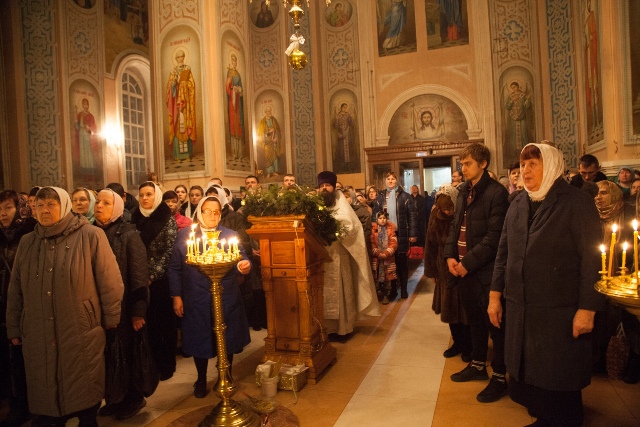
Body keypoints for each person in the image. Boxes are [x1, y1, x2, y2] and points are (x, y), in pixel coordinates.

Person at [489, 143, 605, 426]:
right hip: (522, 306)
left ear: (551, 165)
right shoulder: (518, 202)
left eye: (533, 164)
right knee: (532, 371)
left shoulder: (575, 202)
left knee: (558, 374)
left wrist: (587, 309)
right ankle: (545, 417)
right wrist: (495, 295)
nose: (525, 171)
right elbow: (504, 252)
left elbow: (592, 259)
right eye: (523, 165)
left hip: (559, 309)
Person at [6, 187, 123, 427]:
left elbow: (109, 280)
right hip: (38, 330)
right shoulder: (28, 242)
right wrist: (14, 326)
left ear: (65, 206)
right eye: (40, 206)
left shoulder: (90, 236)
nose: (45, 210)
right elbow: (15, 288)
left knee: (83, 385)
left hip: (80, 329)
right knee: (45, 391)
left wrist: (111, 317)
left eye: (51, 204)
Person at [443, 142, 509, 403]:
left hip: (486, 271)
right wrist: (450, 255)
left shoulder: (496, 193)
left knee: (496, 327)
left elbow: (495, 238)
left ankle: (500, 377)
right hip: (465, 271)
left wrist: (467, 262)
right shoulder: (463, 191)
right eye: (462, 164)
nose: (463, 168)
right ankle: (478, 365)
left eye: (468, 163)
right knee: (475, 322)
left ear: (483, 164)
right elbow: (455, 226)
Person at [168, 196, 251, 398]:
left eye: (216, 212)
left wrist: (243, 266)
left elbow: (241, 257)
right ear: (200, 212)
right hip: (196, 295)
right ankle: (201, 378)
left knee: (227, 336)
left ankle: (226, 373)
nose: (212, 216)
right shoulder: (186, 235)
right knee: (200, 337)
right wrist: (176, 296)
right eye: (207, 211)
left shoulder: (229, 235)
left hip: (226, 293)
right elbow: (175, 267)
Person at [94, 189, 150, 420]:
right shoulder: (92, 233)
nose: (99, 206)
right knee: (108, 354)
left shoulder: (129, 234)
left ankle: (133, 398)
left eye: (106, 203)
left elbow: (139, 274)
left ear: (117, 207)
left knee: (127, 353)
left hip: (125, 307)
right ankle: (115, 398)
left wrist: (138, 311)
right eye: (97, 202)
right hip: (100, 307)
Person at [317, 171, 380, 338]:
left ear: (333, 187)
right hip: (320, 257)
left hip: (339, 254)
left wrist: (332, 227)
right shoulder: (316, 204)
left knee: (340, 293)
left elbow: (351, 227)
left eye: (328, 185)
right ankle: (326, 328)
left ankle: (342, 328)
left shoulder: (341, 203)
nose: (324, 188)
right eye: (322, 186)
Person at [131, 182, 178, 381]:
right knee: (146, 325)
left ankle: (166, 365)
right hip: (138, 279)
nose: (145, 198)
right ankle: (150, 365)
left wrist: (152, 275)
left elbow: (170, 251)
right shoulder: (134, 218)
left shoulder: (166, 219)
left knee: (164, 324)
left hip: (161, 281)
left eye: (149, 194)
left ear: (156, 196)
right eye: (142, 195)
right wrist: (140, 276)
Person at [0, 191, 36, 427]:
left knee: (24, 360)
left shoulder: (31, 235)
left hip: (25, 306)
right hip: (2, 307)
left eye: (7, 208)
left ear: (21, 209)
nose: (2, 214)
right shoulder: (1, 236)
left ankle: (25, 406)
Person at [425, 184, 471, 363]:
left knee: (465, 310)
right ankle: (457, 343)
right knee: (450, 309)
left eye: (451, 208)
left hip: (463, 267)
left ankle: (468, 346)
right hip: (444, 269)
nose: (448, 212)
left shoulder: (462, 214)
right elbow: (430, 243)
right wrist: (432, 271)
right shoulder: (435, 216)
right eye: (445, 209)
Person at [371, 172, 417, 300]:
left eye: (393, 179)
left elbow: (412, 216)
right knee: (389, 264)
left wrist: (412, 234)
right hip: (384, 234)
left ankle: (404, 290)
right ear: (385, 181)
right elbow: (375, 217)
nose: (390, 181)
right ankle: (392, 290)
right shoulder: (380, 198)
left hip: (400, 233)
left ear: (396, 181)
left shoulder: (405, 196)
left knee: (401, 262)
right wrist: (375, 232)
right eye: (388, 179)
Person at [166, 49, 196, 161]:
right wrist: (174, 83)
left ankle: (187, 154)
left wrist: (184, 83)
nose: (180, 59)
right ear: (176, 59)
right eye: (178, 57)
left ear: (184, 57)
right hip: (176, 106)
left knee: (186, 124)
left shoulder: (187, 69)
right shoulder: (173, 71)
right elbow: (169, 89)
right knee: (177, 126)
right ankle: (178, 155)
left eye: (182, 57)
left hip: (186, 104)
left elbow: (192, 85)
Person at [370, 212, 397, 305]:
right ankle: (376, 294)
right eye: (380, 218)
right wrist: (377, 253)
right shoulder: (373, 230)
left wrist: (386, 253)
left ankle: (386, 295)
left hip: (387, 258)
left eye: (384, 218)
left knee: (387, 277)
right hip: (376, 259)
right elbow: (372, 243)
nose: (382, 220)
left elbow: (394, 243)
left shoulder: (391, 230)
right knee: (376, 277)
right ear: (376, 219)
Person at [226, 53, 245, 161]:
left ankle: (240, 153)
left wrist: (239, 89)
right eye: (232, 61)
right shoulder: (229, 73)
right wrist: (230, 85)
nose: (234, 63)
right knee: (233, 126)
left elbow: (241, 88)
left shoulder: (238, 74)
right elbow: (227, 87)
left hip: (238, 103)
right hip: (232, 103)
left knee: (239, 125)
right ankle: (234, 153)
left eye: (235, 61)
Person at [258, 106, 283, 178]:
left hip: (274, 141)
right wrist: (269, 131)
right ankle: (269, 172)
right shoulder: (262, 122)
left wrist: (276, 137)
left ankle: (275, 172)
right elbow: (261, 133)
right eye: (268, 111)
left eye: (270, 111)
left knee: (275, 156)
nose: (269, 113)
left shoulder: (274, 120)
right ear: (265, 112)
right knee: (267, 156)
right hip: (267, 142)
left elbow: (278, 130)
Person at [74, 98, 98, 171]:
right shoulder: (79, 114)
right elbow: (77, 126)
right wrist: (76, 121)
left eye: (86, 104)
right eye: (84, 104)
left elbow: (94, 128)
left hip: (87, 135)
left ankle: (90, 166)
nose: (85, 106)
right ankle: (84, 167)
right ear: (82, 105)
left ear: (88, 105)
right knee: (83, 150)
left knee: (88, 150)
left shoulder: (91, 116)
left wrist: (89, 128)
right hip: (81, 134)